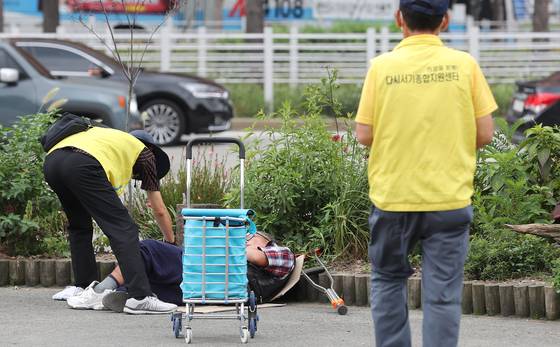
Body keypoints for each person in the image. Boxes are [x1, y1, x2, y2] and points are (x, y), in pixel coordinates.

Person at [354, 1, 496, 346]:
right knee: (443, 295)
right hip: (448, 198)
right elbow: (485, 133)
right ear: (445, 20)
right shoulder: (465, 66)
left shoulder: (382, 68)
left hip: (393, 198)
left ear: (399, 19)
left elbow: (363, 134)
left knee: (388, 280)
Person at [44, 126, 178, 314]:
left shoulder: (110, 141)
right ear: (153, 151)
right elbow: (160, 210)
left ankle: (83, 288)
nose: (135, 178)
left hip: (53, 162)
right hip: (82, 165)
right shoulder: (146, 155)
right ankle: (140, 297)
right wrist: (171, 241)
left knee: (79, 226)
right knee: (124, 229)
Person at [59, 231, 295, 313]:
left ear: (263, 240)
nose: (245, 237)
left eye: (250, 236)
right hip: (207, 280)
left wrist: (233, 241)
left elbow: (248, 255)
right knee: (149, 280)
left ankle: (101, 291)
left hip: (208, 272)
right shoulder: (254, 252)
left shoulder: (281, 253)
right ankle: (126, 293)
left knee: (146, 249)